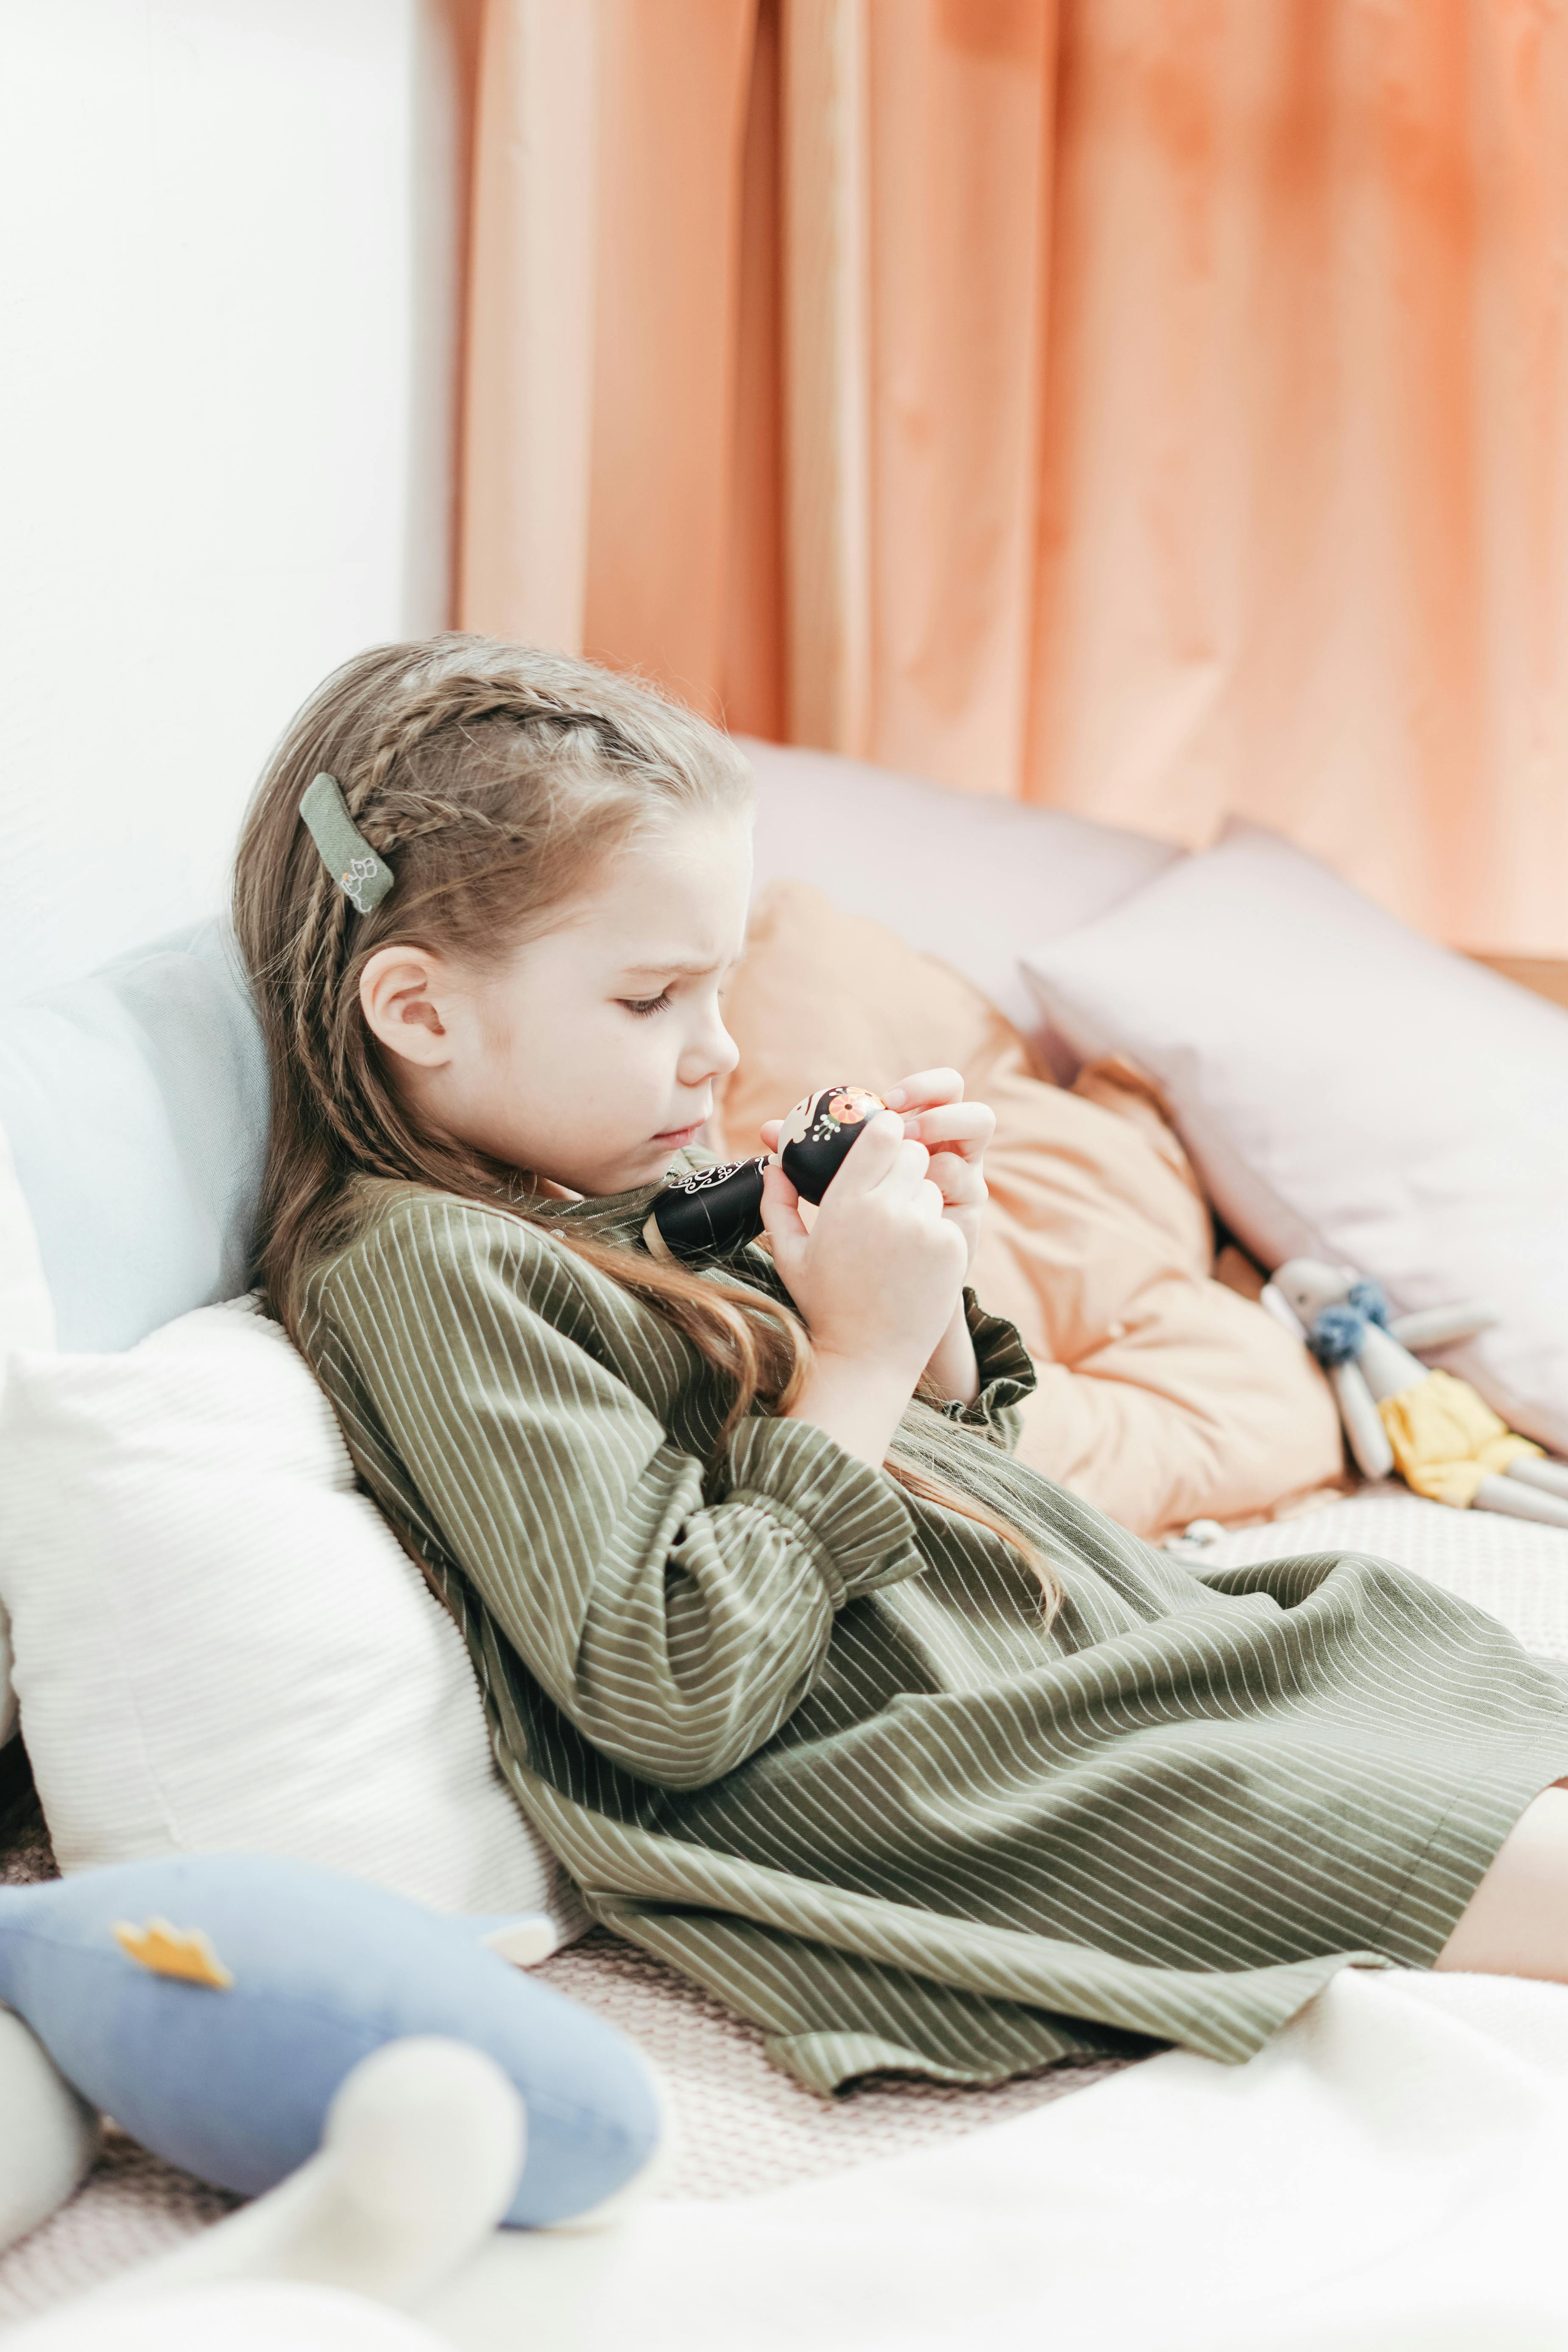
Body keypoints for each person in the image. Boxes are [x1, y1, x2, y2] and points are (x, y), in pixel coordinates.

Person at [232, 634, 1568, 2093]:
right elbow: (671, 1688)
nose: (713, 1051)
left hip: (1095, 1667)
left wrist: (922, 1304)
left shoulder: (600, 1196)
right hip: (957, 1778)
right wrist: (855, 1352)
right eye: (648, 1000)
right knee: (1409, 1818)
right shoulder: (425, 1269)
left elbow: (934, 1494)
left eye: (718, 989)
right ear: (415, 1009)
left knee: (1395, 1646)